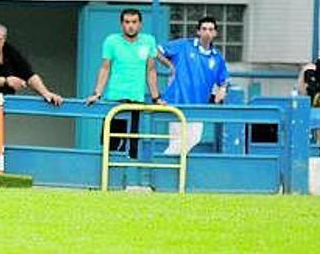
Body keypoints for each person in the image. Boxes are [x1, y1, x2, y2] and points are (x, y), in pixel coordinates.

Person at [85, 9, 162, 159]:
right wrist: (97, 93)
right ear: (122, 24)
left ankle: (128, 181)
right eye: (127, 22)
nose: (130, 26)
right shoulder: (112, 41)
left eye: (134, 22)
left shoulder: (149, 41)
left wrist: (156, 97)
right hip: (114, 99)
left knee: (133, 146)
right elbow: (105, 67)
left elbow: (151, 71)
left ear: (140, 24)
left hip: (136, 100)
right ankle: (106, 180)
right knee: (110, 144)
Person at [156, 16, 230, 155]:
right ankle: (165, 168)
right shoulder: (184, 45)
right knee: (177, 141)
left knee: (194, 138)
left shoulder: (217, 57)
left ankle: (164, 164)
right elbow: (157, 50)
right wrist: (170, 65)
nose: (207, 32)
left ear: (215, 33)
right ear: (198, 31)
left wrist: (223, 88)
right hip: (177, 102)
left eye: (211, 29)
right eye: (204, 29)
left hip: (198, 106)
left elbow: (224, 78)